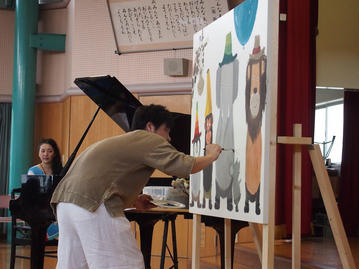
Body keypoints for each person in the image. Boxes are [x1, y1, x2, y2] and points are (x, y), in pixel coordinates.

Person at [50, 104, 222, 269]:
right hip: (92, 205)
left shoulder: (120, 141)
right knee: (126, 265)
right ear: (150, 126)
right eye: (167, 131)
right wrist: (212, 155)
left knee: (73, 265)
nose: (169, 138)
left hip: (65, 204)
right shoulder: (148, 138)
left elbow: (103, 179)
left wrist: (133, 200)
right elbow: (185, 166)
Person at [28, 138, 63, 241]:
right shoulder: (33, 171)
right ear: (39, 154)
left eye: (49, 151)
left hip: (56, 208)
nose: (46, 154)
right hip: (38, 211)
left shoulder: (61, 171)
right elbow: (30, 197)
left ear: (55, 153)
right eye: (42, 151)